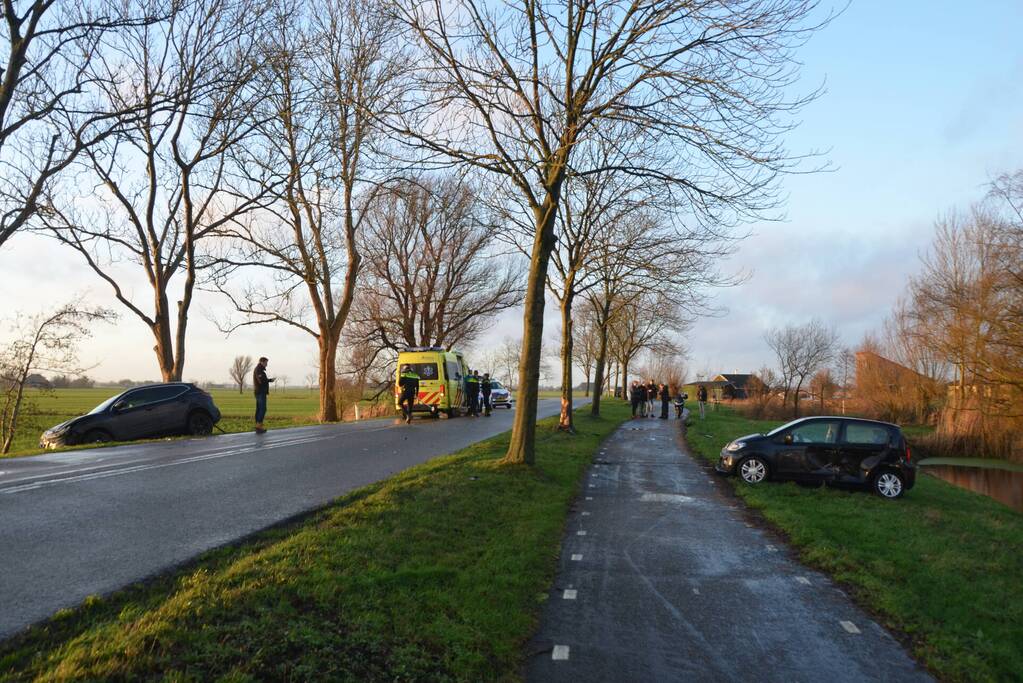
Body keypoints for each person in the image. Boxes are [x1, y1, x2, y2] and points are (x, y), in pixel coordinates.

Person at [253, 357, 275, 434]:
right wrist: (269, 380)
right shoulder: (258, 370)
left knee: (259, 409)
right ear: (262, 362)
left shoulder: (259, 369)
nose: (267, 364)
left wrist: (269, 380)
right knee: (262, 409)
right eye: (266, 362)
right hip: (260, 392)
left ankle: (258, 425)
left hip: (259, 392)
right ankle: (259, 426)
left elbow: (262, 379)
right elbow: (261, 381)